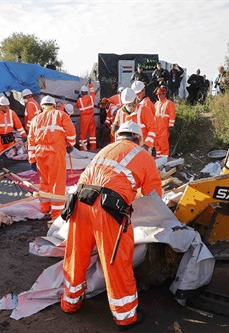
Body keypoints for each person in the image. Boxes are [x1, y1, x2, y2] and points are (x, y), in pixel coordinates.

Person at [60, 120, 162, 331]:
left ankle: (70, 303)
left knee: (76, 255)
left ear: (119, 136)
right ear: (139, 139)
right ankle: (125, 316)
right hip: (108, 210)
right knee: (116, 261)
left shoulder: (105, 149)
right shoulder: (143, 155)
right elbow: (154, 197)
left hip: (79, 202)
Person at [27, 95, 76, 220]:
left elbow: (31, 140)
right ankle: (57, 214)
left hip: (40, 153)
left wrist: (32, 159)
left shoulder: (35, 119)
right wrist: (70, 144)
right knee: (57, 183)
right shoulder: (61, 115)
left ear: (42, 106)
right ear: (54, 105)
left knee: (44, 182)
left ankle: (44, 207)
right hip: (55, 152)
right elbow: (70, 131)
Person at [112, 87, 157, 153]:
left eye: (130, 103)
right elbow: (116, 134)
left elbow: (153, 129)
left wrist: (147, 144)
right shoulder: (120, 113)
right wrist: (113, 130)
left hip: (142, 148)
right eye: (126, 104)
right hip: (125, 149)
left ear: (135, 100)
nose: (128, 105)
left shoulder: (144, 110)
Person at [154, 86, 176, 158]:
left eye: (160, 94)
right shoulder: (156, 104)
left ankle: (164, 159)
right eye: (157, 95)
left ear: (164, 94)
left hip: (164, 128)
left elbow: (172, 115)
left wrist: (171, 126)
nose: (158, 96)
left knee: (164, 144)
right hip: (156, 128)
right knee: (157, 144)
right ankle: (158, 158)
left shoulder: (169, 103)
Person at [75, 82, 96, 151]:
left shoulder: (79, 100)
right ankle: (93, 147)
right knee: (92, 133)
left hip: (84, 118)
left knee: (83, 134)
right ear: (87, 92)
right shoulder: (91, 97)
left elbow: (77, 106)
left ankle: (83, 148)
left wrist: (78, 98)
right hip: (91, 117)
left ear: (81, 93)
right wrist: (90, 84)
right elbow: (92, 91)